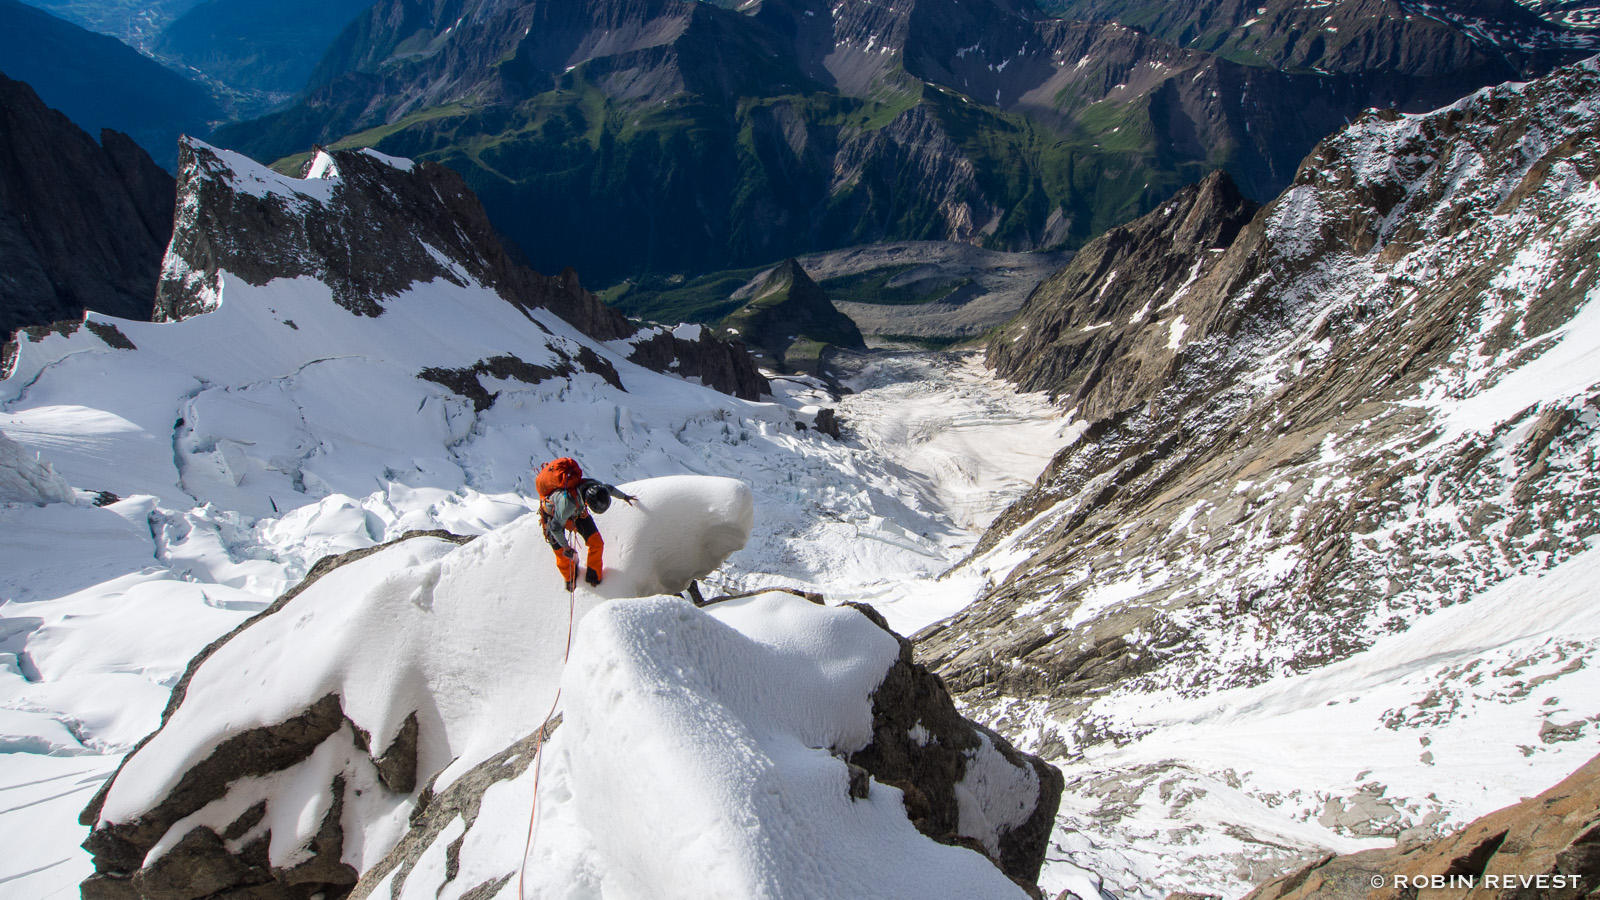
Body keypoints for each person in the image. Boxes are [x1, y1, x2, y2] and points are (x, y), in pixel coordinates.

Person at [535, 457, 637, 590]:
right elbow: (555, 528)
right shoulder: (567, 504)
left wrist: (625, 497)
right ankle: (570, 578)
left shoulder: (598, 487)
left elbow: (610, 489)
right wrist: (566, 547)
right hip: (553, 514)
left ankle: (593, 576)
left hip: (578, 511)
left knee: (596, 543)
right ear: (588, 502)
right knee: (561, 553)